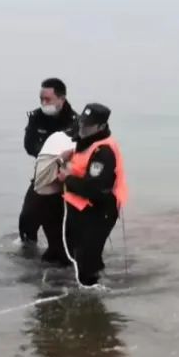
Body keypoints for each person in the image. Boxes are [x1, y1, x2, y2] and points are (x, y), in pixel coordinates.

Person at [58, 103, 127, 287]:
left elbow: (95, 189)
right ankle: (94, 277)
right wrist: (71, 153)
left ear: (101, 127)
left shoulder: (104, 152)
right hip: (80, 207)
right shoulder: (87, 141)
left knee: (86, 261)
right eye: (82, 123)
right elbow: (83, 156)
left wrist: (67, 179)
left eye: (88, 126)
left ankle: (93, 294)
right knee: (74, 250)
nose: (82, 129)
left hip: (100, 210)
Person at [19, 78, 77, 258]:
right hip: (43, 174)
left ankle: (64, 256)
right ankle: (28, 251)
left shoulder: (76, 121)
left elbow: (84, 149)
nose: (44, 103)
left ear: (62, 98)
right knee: (27, 218)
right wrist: (47, 154)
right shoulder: (36, 117)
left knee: (59, 226)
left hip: (66, 178)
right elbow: (29, 145)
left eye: (48, 99)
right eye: (41, 99)